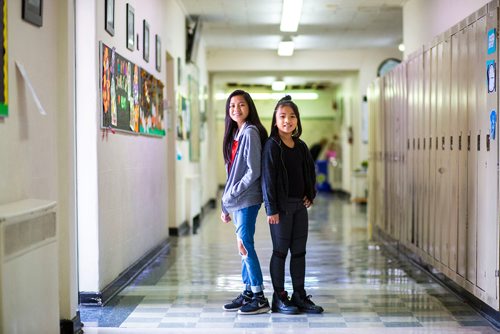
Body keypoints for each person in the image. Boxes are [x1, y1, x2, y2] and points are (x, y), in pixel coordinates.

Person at [261, 95, 324, 314]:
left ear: (297, 120)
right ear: (275, 120)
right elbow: (268, 179)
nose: (287, 120)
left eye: (292, 116)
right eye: (282, 116)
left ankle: (299, 295)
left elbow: (309, 173)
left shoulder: (301, 145)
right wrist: (271, 209)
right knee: (280, 252)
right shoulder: (272, 145)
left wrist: (310, 194)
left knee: (299, 252)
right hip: (281, 208)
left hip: (299, 207)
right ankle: (279, 298)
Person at [220, 89, 271, 315]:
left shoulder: (250, 132)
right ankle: (248, 292)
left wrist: (232, 196)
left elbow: (253, 172)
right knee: (242, 246)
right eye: (232, 106)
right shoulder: (236, 134)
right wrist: (226, 204)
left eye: (241, 105)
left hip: (247, 199)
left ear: (249, 107)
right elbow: (232, 173)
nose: (236, 109)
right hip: (237, 200)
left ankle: (259, 296)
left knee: (245, 245)